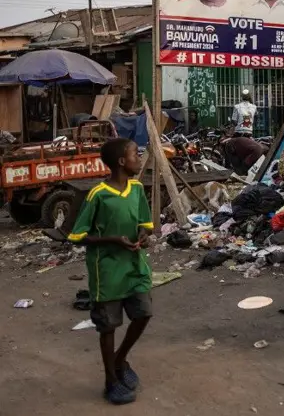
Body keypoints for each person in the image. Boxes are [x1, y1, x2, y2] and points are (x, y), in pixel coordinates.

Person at [67, 138, 153, 405]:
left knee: (143, 313)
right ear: (121, 161)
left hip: (134, 265)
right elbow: (77, 235)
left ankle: (119, 359)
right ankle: (111, 381)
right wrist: (113, 240)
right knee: (108, 326)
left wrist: (143, 235)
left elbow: (145, 223)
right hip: (106, 270)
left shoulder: (137, 189)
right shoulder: (98, 195)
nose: (139, 158)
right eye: (135, 154)